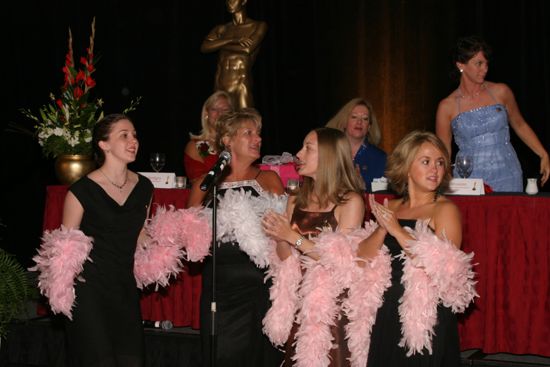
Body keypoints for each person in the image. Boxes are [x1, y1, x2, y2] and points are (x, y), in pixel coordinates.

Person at [357, 131, 476, 366]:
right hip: (387, 310)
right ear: (406, 166)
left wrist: (397, 230)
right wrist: (382, 228)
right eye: (426, 161)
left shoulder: (444, 210)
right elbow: (361, 256)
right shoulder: (391, 205)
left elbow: (447, 269)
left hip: (425, 317)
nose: (435, 169)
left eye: (440, 162)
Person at [187, 109, 285, 367]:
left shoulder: (269, 179)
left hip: (259, 286)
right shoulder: (204, 184)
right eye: (248, 133)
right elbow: (188, 234)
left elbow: (282, 232)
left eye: (258, 133)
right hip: (219, 288)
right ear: (228, 140)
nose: (258, 139)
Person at [262, 127, 366, 366]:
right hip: (300, 299)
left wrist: (291, 236)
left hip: (332, 306)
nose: (298, 154)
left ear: (328, 156)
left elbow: (343, 263)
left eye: (308, 148)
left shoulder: (350, 201)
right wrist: (278, 236)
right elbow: (284, 258)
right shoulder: (296, 197)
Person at [62, 114, 153, 366]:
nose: (133, 140)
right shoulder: (81, 191)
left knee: (131, 360)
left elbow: (139, 233)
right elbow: (64, 249)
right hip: (90, 287)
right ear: (104, 144)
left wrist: (160, 242)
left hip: (124, 287)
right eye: (124, 135)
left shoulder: (145, 186)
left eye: (134, 135)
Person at [436, 35, 549, 191]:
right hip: (469, 179)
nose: (485, 69)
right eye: (479, 63)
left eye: (486, 63)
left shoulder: (501, 92)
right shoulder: (447, 106)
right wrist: (446, 182)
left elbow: (520, 125)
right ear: (461, 65)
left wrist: (543, 154)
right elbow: (443, 152)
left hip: (507, 173)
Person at [200, 0, 267, 109]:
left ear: (244, 1)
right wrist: (232, 40)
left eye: (233, 0)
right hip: (220, 85)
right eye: (227, 0)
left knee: (245, 123)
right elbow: (204, 47)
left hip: (240, 86)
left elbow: (247, 49)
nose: (229, 3)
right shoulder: (222, 29)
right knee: (218, 123)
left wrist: (219, 44)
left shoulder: (257, 26)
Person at [326, 97, 387, 191]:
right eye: (354, 117)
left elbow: (383, 197)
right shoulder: (328, 151)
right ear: (344, 122)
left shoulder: (380, 158)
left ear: (369, 126)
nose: (359, 122)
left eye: (365, 119)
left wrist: (363, 188)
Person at [184, 90, 234, 184]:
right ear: (206, 114)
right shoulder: (198, 146)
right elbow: (199, 184)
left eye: (225, 110)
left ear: (231, 115)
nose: (220, 114)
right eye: (214, 109)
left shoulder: (239, 143)